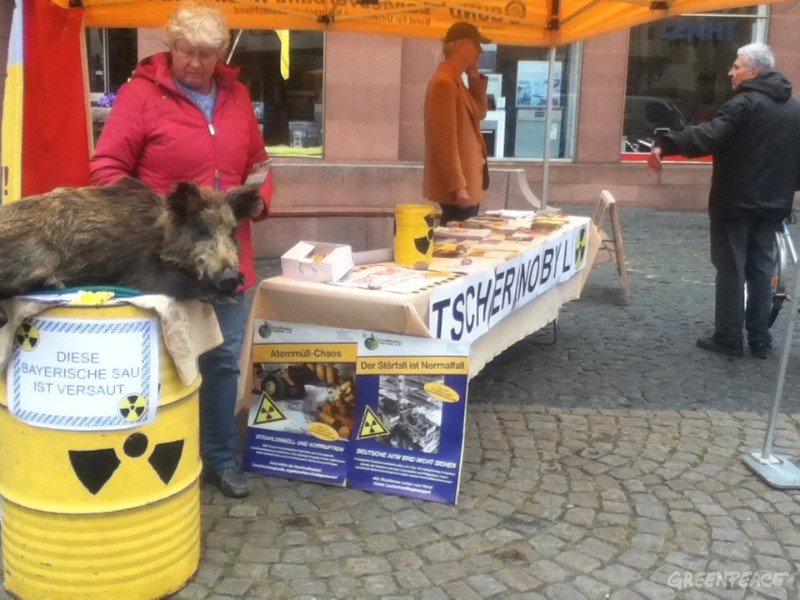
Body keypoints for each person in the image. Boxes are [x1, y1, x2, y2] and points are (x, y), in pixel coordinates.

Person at [90, 1, 271, 497]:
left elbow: (258, 165)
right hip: (163, 262)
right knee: (161, 359)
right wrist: (156, 218)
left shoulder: (236, 98)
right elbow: (107, 170)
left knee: (223, 359)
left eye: (207, 54)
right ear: (170, 47)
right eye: (187, 51)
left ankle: (217, 460)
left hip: (229, 260)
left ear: (221, 54)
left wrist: (257, 203)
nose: (195, 62)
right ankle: (159, 461)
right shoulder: (140, 96)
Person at [647, 43, 800, 359]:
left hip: (735, 203)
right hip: (773, 205)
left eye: (736, 66)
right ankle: (760, 339)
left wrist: (666, 143)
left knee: (731, 269)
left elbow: (708, 135)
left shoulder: (743, 104)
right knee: (760, 271)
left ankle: (729, 337)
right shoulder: (794, 109)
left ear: (753, 72)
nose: (731, 71)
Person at [423, 22, 490, 226]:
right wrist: (457, 186)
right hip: (459, 191)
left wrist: (475, 79)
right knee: (455, 244)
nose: (480, 51)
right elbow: (444, 140)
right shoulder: (444, 83)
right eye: (476, 45)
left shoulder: (456, 81)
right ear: (461, 46)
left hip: (468, 185)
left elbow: (480, 112)